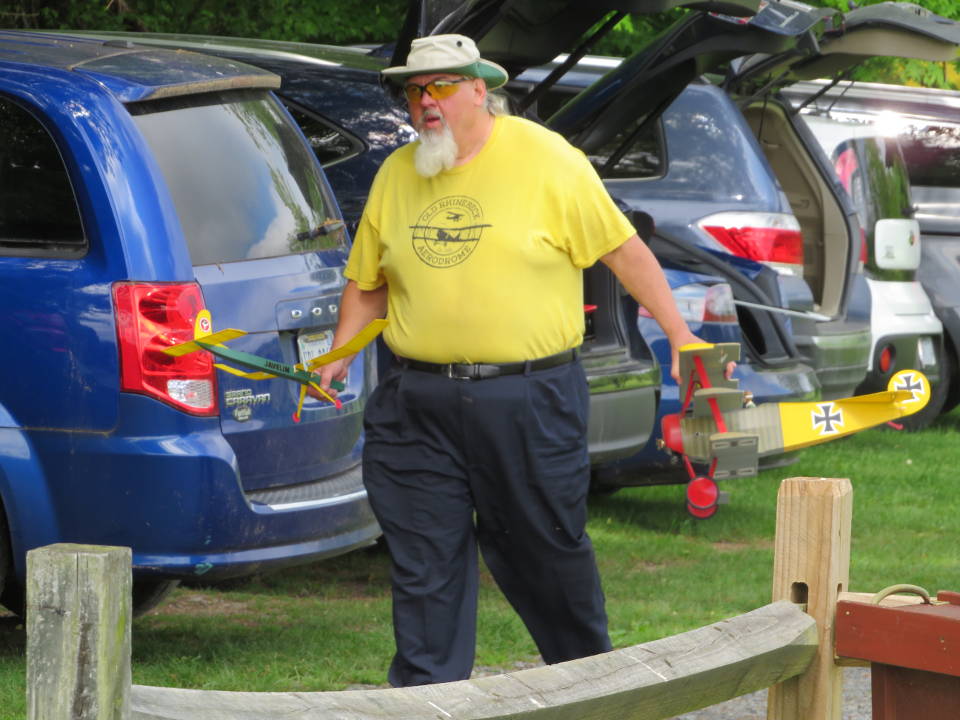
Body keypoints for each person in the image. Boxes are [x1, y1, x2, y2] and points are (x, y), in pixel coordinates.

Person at [313, 34, 707, 687]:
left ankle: (590, 688)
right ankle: (430, 698)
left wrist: (681, 334)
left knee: (543, 554)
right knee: (424, 563)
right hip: (416, 403)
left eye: (440, 86)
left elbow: (623, 251)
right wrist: (338, 354)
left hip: (528, 399)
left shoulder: (547, 159)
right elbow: (368, 281)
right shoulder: (397, 173)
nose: (425, 101)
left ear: (479, 89)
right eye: (415, 90)